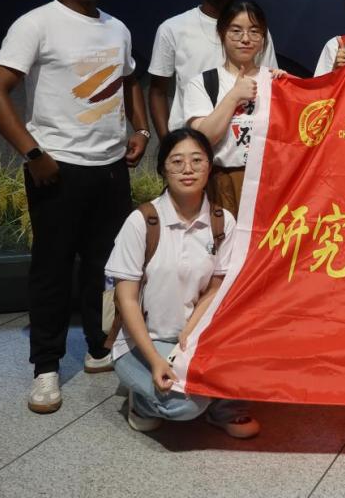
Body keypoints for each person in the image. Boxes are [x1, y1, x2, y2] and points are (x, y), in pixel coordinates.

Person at [0, 0, 150, 414]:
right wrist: (33, 153)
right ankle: (47, 367)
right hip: (57, 168)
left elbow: (129, 79)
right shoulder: (36, 24)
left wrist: (140, 129)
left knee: (105, 266)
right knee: (52, 269)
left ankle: (98, 347)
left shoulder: (117, 28)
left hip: (110, 168)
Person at [107, 127, 260, 438]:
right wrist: (154, 360)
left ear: (209, 167)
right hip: (144, 342)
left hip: (195, 339)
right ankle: (141, 401)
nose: (188, 169)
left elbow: (217, 287)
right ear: (163, 169)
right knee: (185, 406)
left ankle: (222, 408)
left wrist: (191, 330)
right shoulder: (142, 221)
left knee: (256, 350)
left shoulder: (223, 221)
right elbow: (126, 299)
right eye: (177, 161)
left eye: (197, 160)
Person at [148, 0, 278, 140]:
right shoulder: (172, 28)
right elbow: (158, 92)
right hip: (191, 142)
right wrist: (168, 144)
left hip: (244, 140)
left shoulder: (257, 32)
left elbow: (271, 85)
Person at [182, 0, 273, 217]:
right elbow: (204, 138)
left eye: (254, 31)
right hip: (222, 184)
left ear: (263, 38)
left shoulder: (275, 81)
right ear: (221, 33)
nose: (245, 39)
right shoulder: (204, 83)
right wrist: (234, 96)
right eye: (236, 31)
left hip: (268, 184)